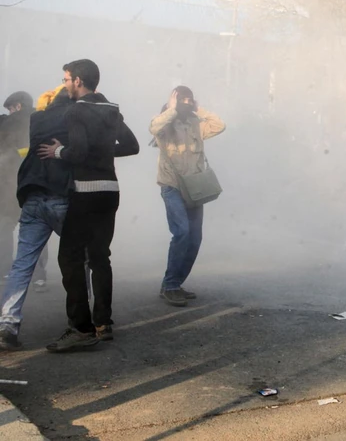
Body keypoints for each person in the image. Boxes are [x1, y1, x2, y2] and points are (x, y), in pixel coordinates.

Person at [38, 60, 139, 352]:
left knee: (69, 258)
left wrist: (58, 151)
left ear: (78, 81)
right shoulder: (111, 109)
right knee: (100, 257)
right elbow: (132, 146)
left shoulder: (76, 110)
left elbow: (79, 152)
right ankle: (103, 323)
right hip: (110, 192)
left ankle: (81, 329)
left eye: (66, 79)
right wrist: (103, 151)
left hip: (85, 193)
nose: (65, 84)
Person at [0, 86, 73, 350]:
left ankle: (7, 324)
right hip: (58, 193)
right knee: (79, 258)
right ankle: (82, 321)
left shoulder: (30, 121)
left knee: (22, 259)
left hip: (27, 192)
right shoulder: (70, 119)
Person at [149, 86, 225, 307]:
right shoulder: (164, 121)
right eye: (181, 99)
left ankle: (173, 283)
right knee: (182, 232)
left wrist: (198, 109)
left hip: (194, 188)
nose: (186, 103)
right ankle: (171, 286)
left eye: (189, 99)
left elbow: (219, 125)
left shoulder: (195, 123)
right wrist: (172, 109)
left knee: (194, 238)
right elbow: (154, 127)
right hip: (172, 186)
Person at [0, 92, 34, 276]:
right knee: (36, 227)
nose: (10, 113)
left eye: (11, 109)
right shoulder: (41, 121)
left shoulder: (10, 124)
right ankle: (38, 275)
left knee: (5, 226)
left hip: (10, 186)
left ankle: (4, 269)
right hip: (33, 186)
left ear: (18, 106)